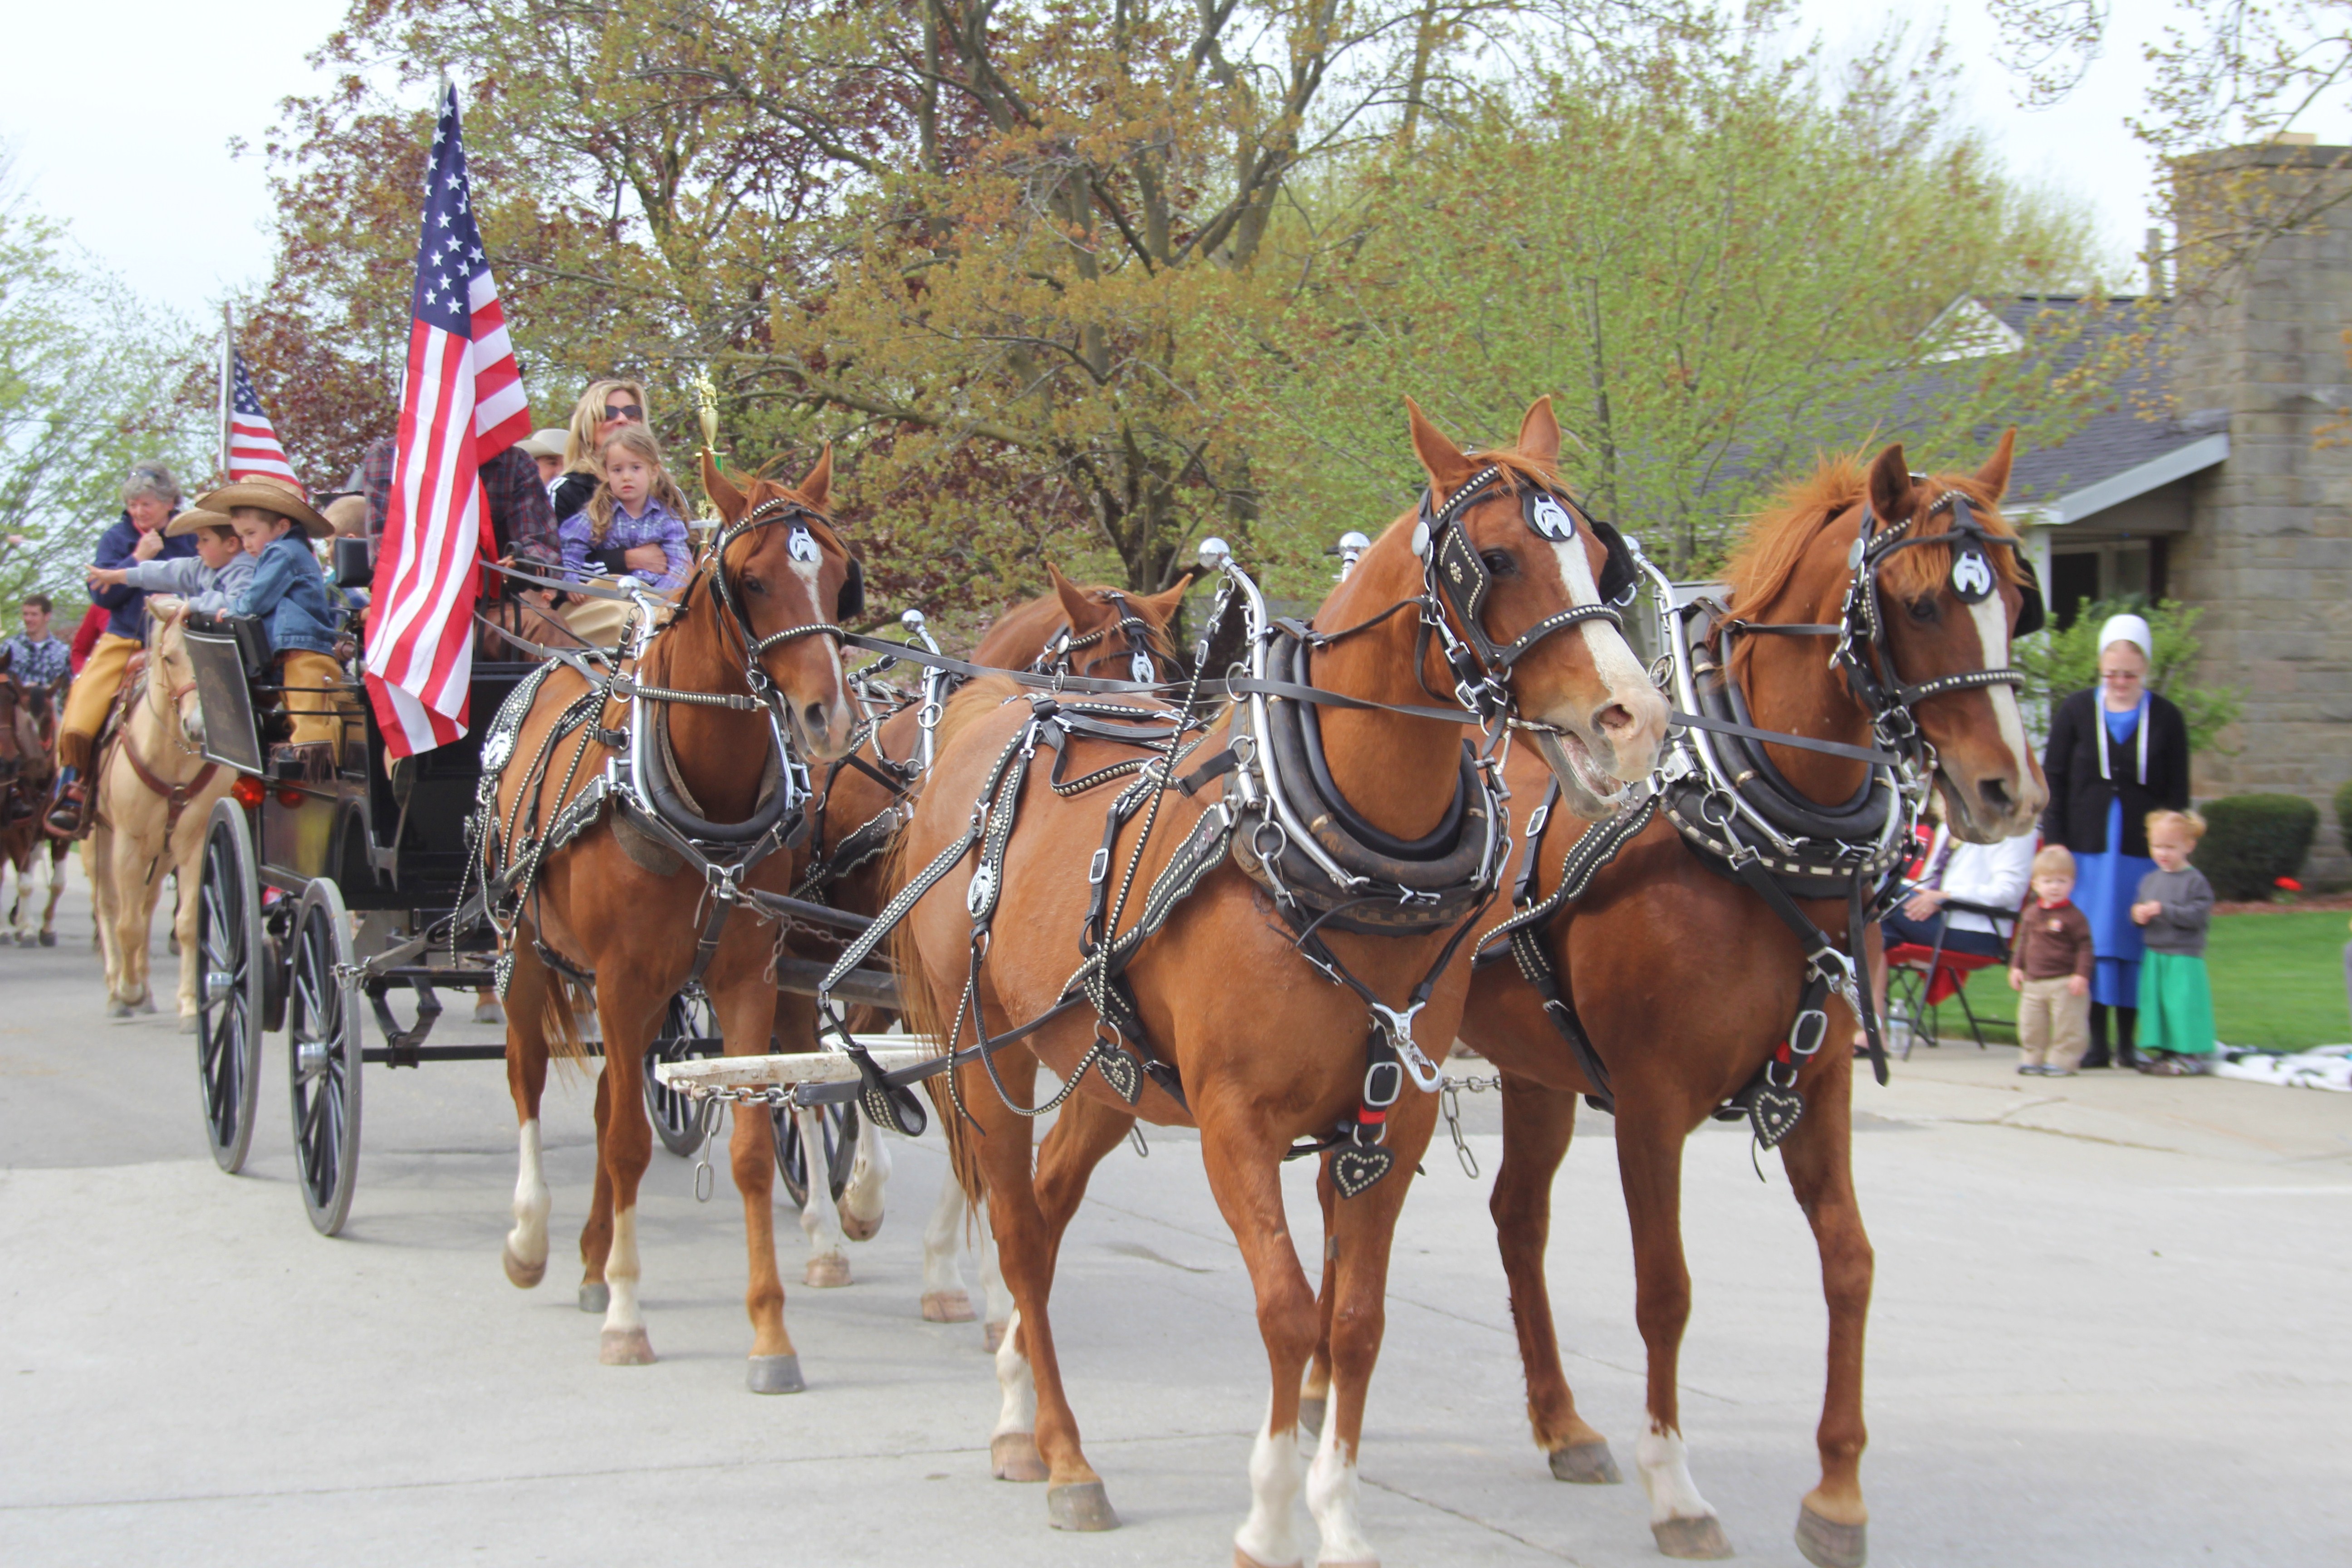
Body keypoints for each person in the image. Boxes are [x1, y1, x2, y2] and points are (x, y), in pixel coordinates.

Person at [2038, 613, 2190, 1068]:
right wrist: (2056, 842)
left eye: (2129, 674)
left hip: (2140, 852)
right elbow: (2055, 780)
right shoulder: (2076, 711)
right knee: (2093, 941)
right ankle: (2095, 1043)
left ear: (2144, 669)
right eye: (2112, 674)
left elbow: (2178, 791)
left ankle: (2127, 1043)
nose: (2120, 682)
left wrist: (2172, 846)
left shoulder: (2166, 717)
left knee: (2129, 942)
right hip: (2086, 848)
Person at [48, 463, 199, 833]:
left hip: (185, 637)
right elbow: (102, 595)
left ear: (169, 503)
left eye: (145, 504)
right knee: (84, 704)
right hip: (125, 639)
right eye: (132, 505)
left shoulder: (193, 534)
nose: (138, 512)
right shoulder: (116, 538)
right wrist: (137, 559)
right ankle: (75, 786)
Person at [205, 478, 348, 784]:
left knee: (309, 700)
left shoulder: (282, 553)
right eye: (241, 536)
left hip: (302, 645)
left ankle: (315, 754)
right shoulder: (291, 550)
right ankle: (305, 747)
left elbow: (256, 599)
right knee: (299, 698)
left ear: (281, 526)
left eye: (251, 534)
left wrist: (230, 613)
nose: (246, 544)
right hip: (293, 645)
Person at [556, 423, 691, 648]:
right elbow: (569, 548)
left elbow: (681, 564)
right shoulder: (596, 514)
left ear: (654, 471)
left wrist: (660, 599)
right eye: (617, 470)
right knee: (622, 619)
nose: (626, 477)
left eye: (636, 468)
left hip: (652, 598)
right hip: (606, 596)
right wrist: (571, 581)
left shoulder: (667, 518)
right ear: (605, 473)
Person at [2132, 809, 2218, 1075]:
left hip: (2183, 955)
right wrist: (2138, 915)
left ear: (2189, 846)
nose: (2163, 853)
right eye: (2157, 846)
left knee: (2182, 1004)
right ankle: (2167, 1053)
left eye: (2170, 847)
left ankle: (2189, 1054)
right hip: (2156, 953)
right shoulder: (2151, 880)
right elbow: (2139, 909)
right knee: (2158, 1005)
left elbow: (2197, 916)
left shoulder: (2194, 881)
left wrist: (2165, 910)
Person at [1882, 821, 2036, 959]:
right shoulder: (1948, 826)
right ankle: (1884, 941)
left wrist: (1947, 897)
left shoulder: (2014, 830)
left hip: (1977, 933)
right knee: (1877, 896)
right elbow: (1930, 881)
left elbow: (2008, 891)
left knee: (1874, 888)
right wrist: (1918, 891)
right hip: (1936, 919)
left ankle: (1884, 943)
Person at [2010, 845, 2095, 1076]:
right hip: (2034, 982)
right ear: (2036, 884)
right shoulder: (2031, 914)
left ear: (2072, 884)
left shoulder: (2074, 917)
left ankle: (2063, 1061)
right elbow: (2023, 943)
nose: (2055, 887)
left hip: (2065, 983)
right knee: (2031, 1025)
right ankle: (2032, 1057)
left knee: (2068, 1026)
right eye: (2048, 882)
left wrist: (2081, 975)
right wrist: (2017, 967)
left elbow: (2085, 947)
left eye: (2061, 881)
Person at [86, 508, 255, 616]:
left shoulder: (246, 571)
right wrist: (119, 576)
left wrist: (189, 606)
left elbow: (237, 605)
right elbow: (167, 572)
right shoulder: (201, 567)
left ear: (231, 544)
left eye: (205, 540)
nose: (197, 546)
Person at [550, 379, 649, 525]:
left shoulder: (664, 489)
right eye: (608, 414)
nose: (622, 419)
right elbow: (549, 547)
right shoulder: (565, 492)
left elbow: (686, 545)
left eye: (632, 413)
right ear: (587, 431)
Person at [2, 593, 72, 692]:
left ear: (47, 616)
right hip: (18, 706)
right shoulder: (9, 647)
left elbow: (69, 688)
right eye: (26, 614)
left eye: (34, 615)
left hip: (51, 706)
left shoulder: (63, 651)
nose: (28, 619)